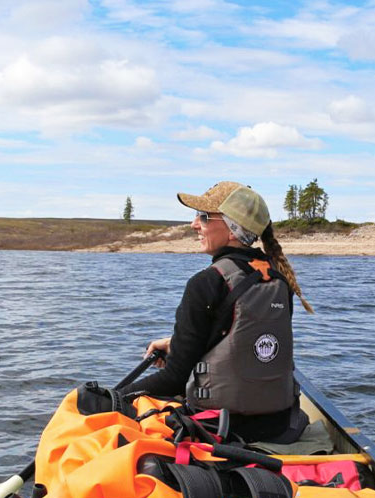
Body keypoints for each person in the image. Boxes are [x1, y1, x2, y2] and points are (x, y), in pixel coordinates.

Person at [117, 181, 314, 443]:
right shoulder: (277, 279)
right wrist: (176, 345)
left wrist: (114, 396)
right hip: (280, 425)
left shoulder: (205, 283)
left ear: (233, 229)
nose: (194, 224)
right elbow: (241, 339)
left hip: (222, 430)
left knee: (103, 403)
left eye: (204, 217)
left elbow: (174, 380)